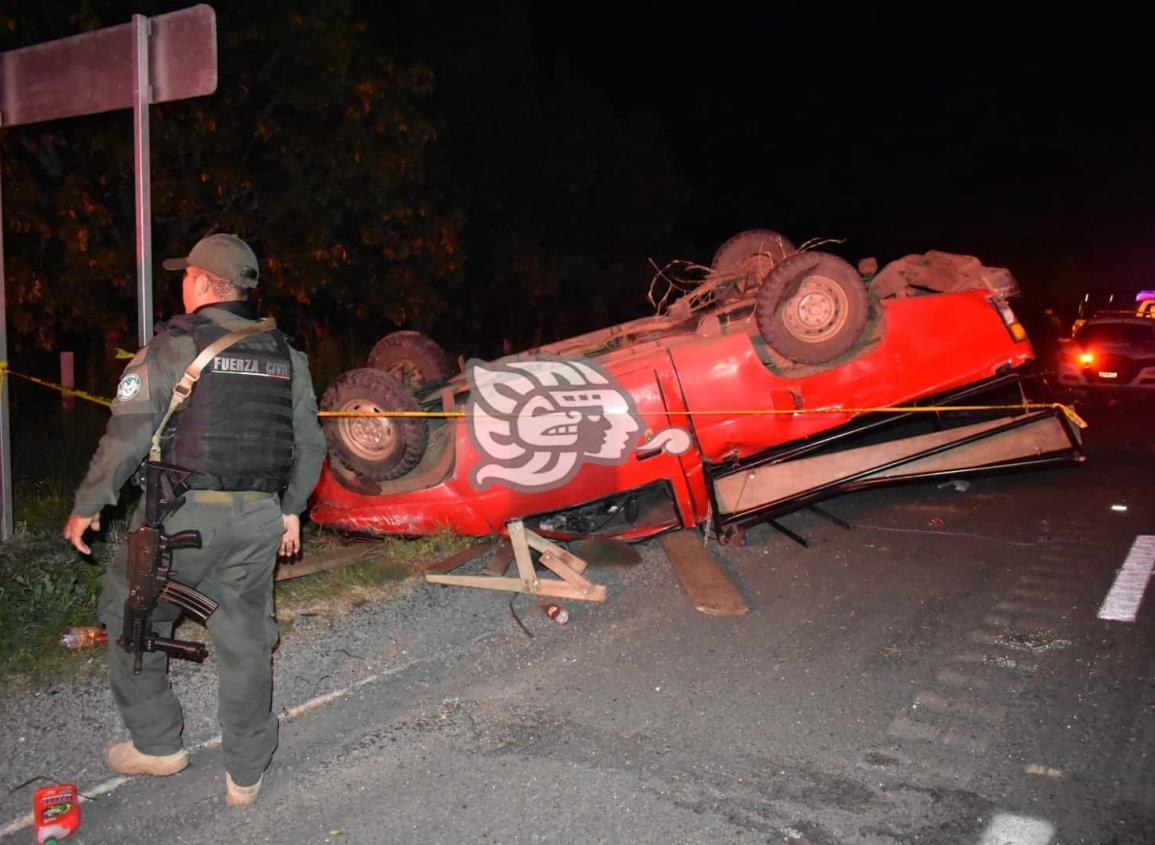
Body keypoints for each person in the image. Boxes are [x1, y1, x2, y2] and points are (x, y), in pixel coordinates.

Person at [63, 233, 327, 806]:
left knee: (132, 613)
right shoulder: (286, 354)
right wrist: (291, 512)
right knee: (245, 638)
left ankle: (158, 745)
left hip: (179, 519)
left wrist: (88, 505)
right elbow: (310, 445)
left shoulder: (173, 346)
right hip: (259, 518)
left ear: (206, 283)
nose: (182, 284)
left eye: (187, 276)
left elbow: (127, 436)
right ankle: (246, 772)